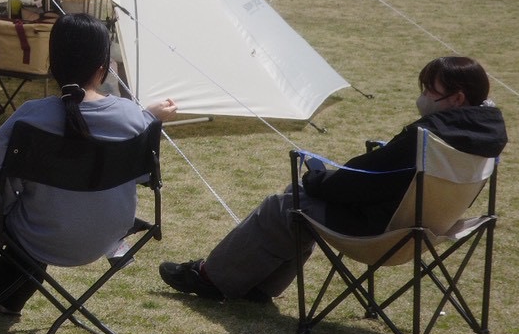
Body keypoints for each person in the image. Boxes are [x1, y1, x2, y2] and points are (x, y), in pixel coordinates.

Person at [160, 55, 506, 304]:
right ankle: (256, 287)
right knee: (299, 205)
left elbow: (360, 182)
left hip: (382, 233)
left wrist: (317, 178)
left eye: (430, 91)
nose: (423, 97)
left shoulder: (428, 139)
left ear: (457, 98)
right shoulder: (486, 138)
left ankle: (210, 278)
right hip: (428, 230)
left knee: (288, 203)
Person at [0, 13, 178, 334]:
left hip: (44, 235)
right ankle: (7, 300)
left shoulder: (32, 117)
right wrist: (150, 115)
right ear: (102, 68)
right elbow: (145, 178)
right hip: (108, 237)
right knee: (39, 217)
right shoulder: (135, 118)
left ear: (52, 63)